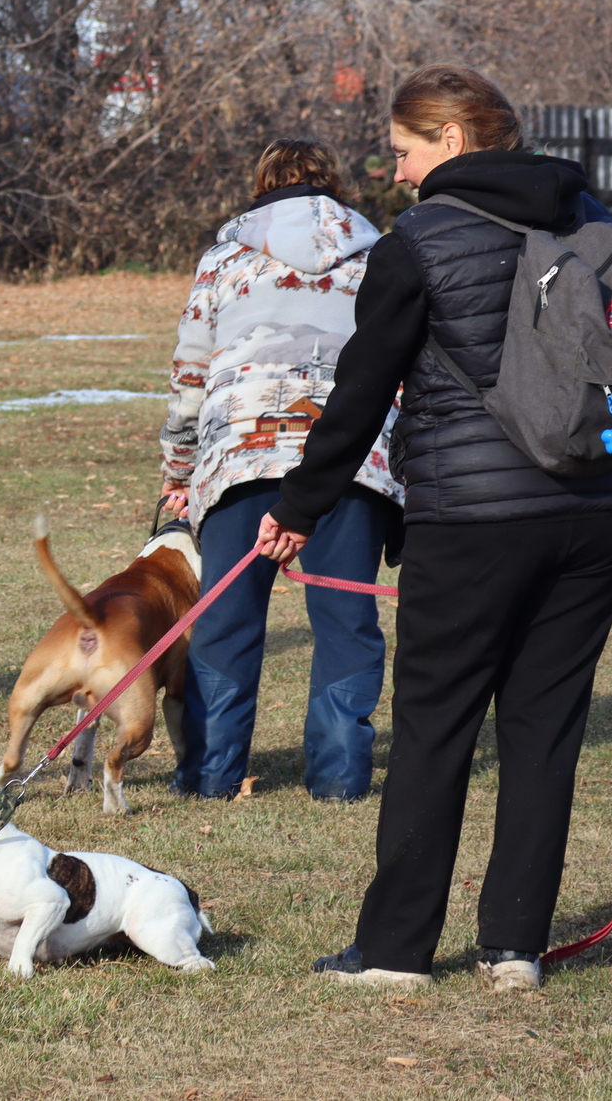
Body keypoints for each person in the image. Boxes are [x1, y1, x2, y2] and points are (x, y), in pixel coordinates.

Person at [256, 64, 612, 991]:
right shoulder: (601, 228)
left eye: (404, 151)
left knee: (437, 728)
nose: (397, 171)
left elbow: (361, 392)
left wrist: (297, 508)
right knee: (543, 734)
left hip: (472, 522)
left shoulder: (419, 242)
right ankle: (515, 949)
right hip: (596, 516)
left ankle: (398, 952)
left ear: (451, 141)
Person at [159, 140, 401, 802]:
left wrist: (178, 468)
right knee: (346, 617)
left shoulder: (224, 260)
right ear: (337, 185)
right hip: (351, 459)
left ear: (262, 186)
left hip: (241, 454)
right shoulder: (381, 256)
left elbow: (190, 372)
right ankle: (340, 776)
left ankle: (209, 775)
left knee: (227, 619)